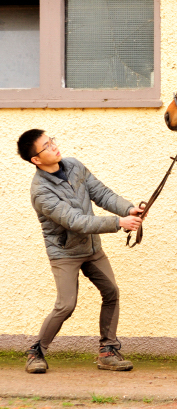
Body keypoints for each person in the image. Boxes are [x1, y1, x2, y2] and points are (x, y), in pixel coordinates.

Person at [17, 129, 145, 374]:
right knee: (66, 305)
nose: (54, 146)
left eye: (52, 140)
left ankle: (108, 351)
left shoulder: (74, 166)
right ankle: (36, 352)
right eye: (47, 146)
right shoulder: (41, 192)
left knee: (111, 292)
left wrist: (127, 209)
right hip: (65, 253)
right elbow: (76, 221)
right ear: (36, 159)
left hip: (91, 247)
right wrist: (118, 223)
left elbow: (101, 193)